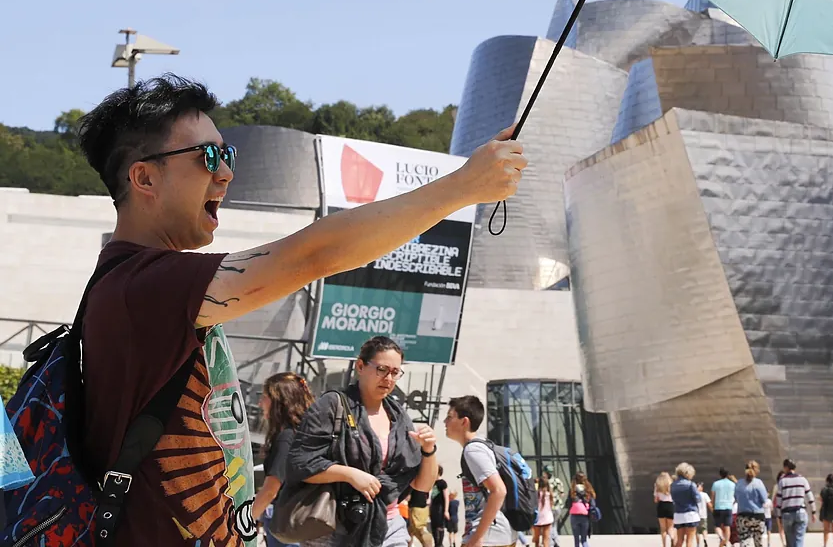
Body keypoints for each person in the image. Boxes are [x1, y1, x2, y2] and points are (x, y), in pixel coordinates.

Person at [71, 75, 525, 546]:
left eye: (228, 155)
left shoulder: (134, 283)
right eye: (208, 157)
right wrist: (462, 188)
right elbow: (315, 254)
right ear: (144, 177)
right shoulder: (145, 284)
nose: (225, 173)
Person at [290, 336, 439, 546]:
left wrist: (429, 450)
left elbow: (422, 485)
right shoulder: (332, 405)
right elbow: (301, 464)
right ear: (360, 366)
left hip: (390, 527)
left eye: (395, 372)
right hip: (335, 526)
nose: (388, 378)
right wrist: (350, 474)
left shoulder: (399, 416)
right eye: (382, 369)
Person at [444, 395, 515, 547]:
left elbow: (499, 490)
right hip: (497, 535)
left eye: (449, 417)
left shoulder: (473, 450)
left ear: (464, 422)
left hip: (489, 537)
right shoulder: (483, 445)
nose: (445, 422)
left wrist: (477, 537)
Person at [254, 372, 315, 547]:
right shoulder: (305, 433)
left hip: (285, 523)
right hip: (302, 521)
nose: (260, 403)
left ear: (279, 402)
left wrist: (245, 521)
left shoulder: (286, 438)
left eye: (264, 397)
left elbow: (271, 489)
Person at [773, 459, 814, 547]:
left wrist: (779, 516)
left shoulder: (782, 481)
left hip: (787, 513)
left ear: (786, 468)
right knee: (799, 539)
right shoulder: (802, 479)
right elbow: (810, 496)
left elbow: (779, 501)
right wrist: (813, 511)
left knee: (790, 541)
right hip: (801, 512)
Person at [734, 461, 770, 547]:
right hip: (757, 516)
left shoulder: (739, 483)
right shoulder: (758, 483)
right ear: (756, 470)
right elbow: (764, 499)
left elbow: (736, 497)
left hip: (743, 516)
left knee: (744, 541)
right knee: (758, 542)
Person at [671, 463, 704, 547]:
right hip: (690, 514)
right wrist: (698, 491)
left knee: (679, 540)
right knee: (689, 541)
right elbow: (698, 499)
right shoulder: (690, 484)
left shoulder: (673, 485)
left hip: (678, 514)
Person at [567, 474, 596, 547]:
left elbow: (568, 503)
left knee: (576, 540)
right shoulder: (588, 489)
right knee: (584, 540)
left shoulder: (573, 489)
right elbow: (593, 503)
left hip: (574, 516)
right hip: (585, 516)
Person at [541, 468, 567, 547]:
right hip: (558, 506)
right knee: (554, 525)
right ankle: (556, 542)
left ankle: (553, 543)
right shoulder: (558, 481)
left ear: (546, 473)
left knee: (549, 526)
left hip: (549, 507)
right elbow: (562, 493)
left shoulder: (545, 482)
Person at [711, 469, 737, 547]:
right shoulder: (732, 484)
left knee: (717, 526)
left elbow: (713, 496)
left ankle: (722, 538)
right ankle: (725, 542)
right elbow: (735, 496)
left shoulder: (715, 484)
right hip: (728, 507)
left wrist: (712, 506)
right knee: (727, 526)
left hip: (718, 506)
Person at [656, 472, 677, 547]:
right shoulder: (672, 485)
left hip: (661, 505)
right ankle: (672, 538)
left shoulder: (657, 486)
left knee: (663, 529)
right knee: (671, 527)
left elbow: (656, 500)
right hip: (670, 505)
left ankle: (664, 545)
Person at [432, 468, 451, 547]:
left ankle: (440, 544)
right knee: (434, 526)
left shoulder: (442, 483)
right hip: (434, 506)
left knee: (440, 525)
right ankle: (436, 543)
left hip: (440, 506)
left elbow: (446, 497)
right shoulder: (433, 483)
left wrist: (446, 510)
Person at [534, 478, 556, 547]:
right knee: (546, 539)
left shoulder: (536, 494)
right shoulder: (550, 494)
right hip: (547, 518)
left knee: (537, 541)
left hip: (537, 518)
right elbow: (552, 505)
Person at [697, 482, 713, 547]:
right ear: (701, 488)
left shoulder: (693, 494)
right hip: (703, 515)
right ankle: (705, 539)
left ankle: (698, 544)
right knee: (704, 529)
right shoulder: (704, 494)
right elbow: (709, 504)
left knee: (696, 531)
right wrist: (713, 511)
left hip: (695, 516)